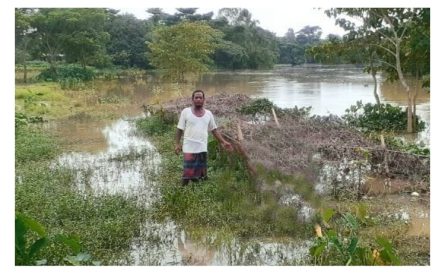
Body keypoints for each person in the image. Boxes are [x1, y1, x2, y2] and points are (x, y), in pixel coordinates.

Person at [175, 90, 233, 186]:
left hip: (202, 147)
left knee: (202, 173)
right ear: (192, 100)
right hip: (189, 146)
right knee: (187, 172)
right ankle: (182, 190)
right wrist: (177, 144)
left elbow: (214, 130)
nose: (198, 99)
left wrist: (223, 142)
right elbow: (179, 129)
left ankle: (201, 187)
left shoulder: (208, 114)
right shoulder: (186, 112)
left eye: (200, 98)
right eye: (196, 97)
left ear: (203, 100)